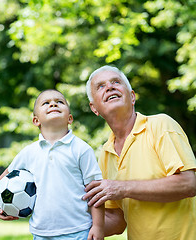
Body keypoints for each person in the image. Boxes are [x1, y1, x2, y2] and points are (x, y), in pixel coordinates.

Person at [83, 65, 196, 240]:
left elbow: (188, 184)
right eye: (101, 86)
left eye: (116, 82)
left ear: (132, 96)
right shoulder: (105, 153)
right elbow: (117, 220)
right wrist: (68, 222)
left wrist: (121, 188)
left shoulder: (161, 125)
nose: (110, 87)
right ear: (94, 108)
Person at [0, 89, 105, 240]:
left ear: (70, 118)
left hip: (78, 231)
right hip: (41, 233)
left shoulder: (81, 149)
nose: (53, 104)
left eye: (59, 102)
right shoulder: (29, 152)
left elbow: (96, 190)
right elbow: (7, 174)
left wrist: (98, 226)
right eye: (46, 103)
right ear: (36, 121)